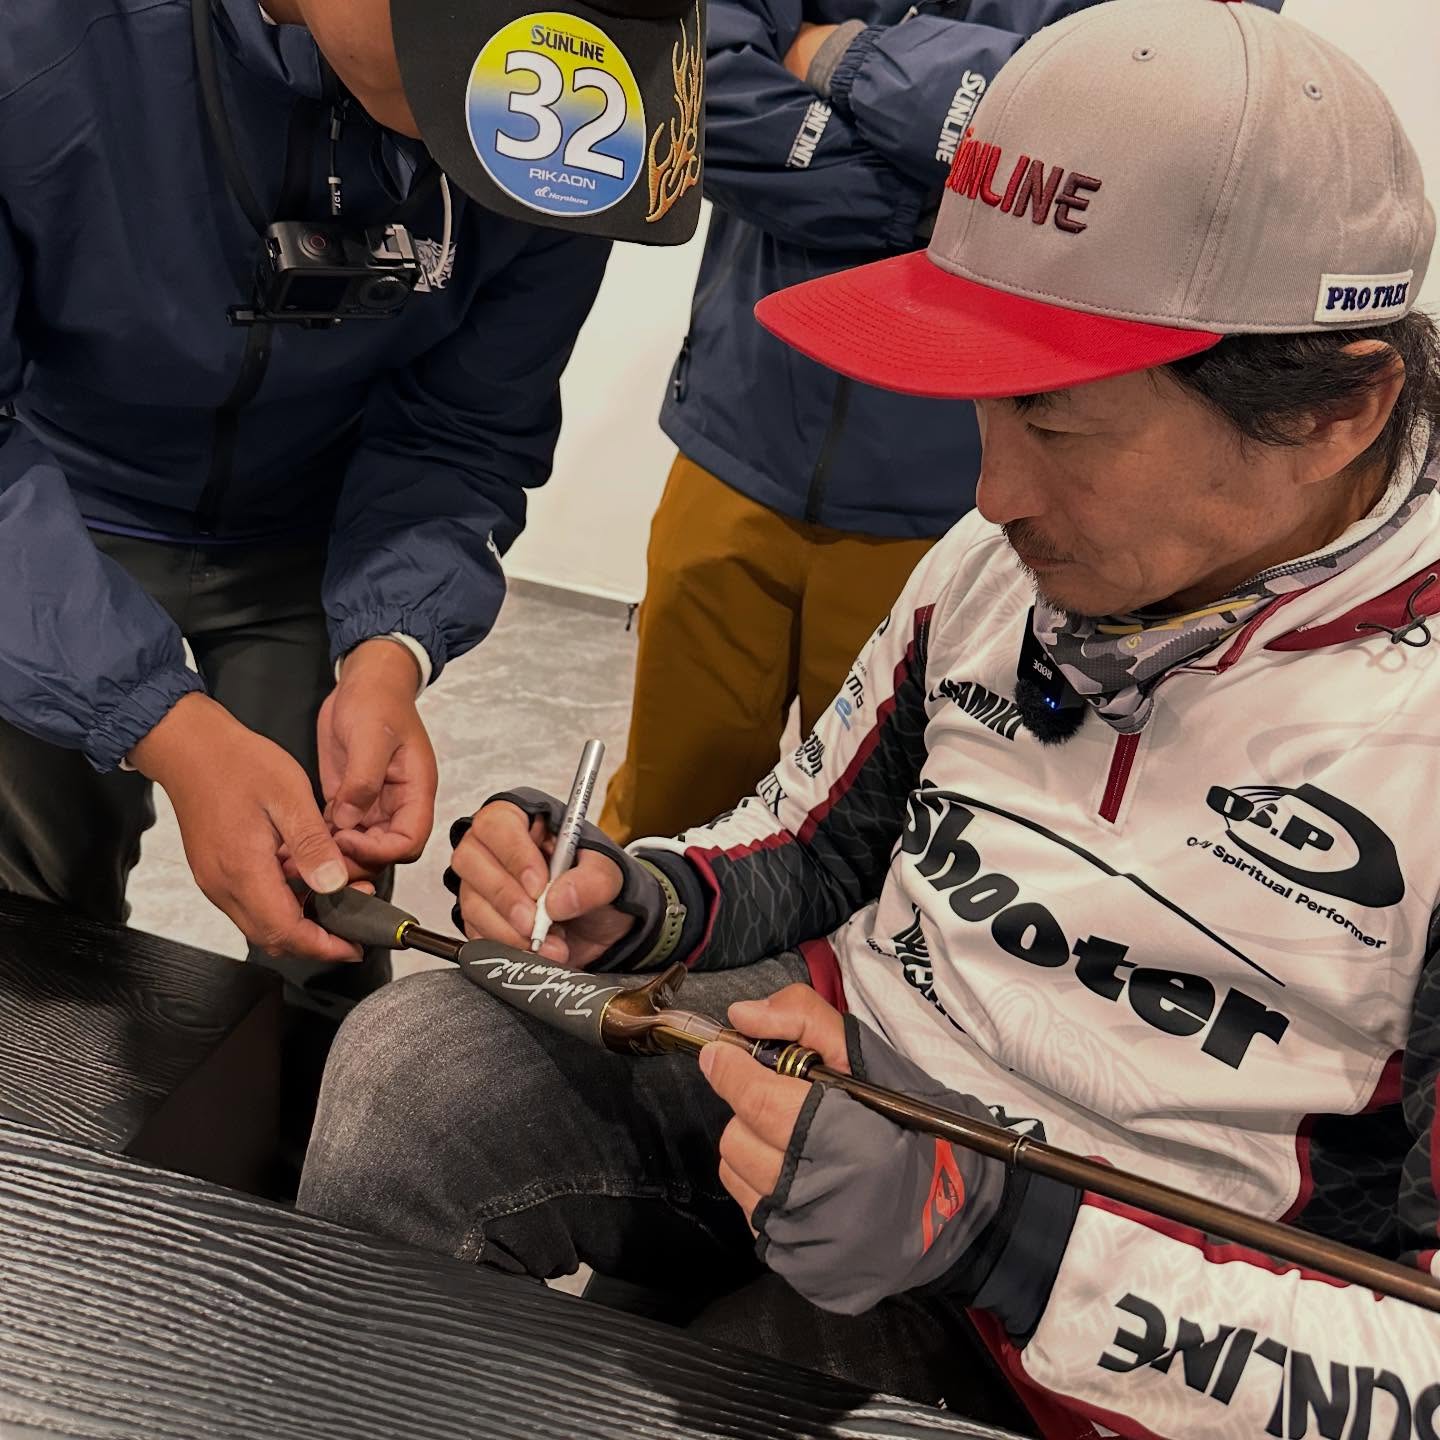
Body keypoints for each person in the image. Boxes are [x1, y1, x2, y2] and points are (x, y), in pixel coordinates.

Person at [299, 2, 1440, 1434]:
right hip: (837, 1087)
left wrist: (996, 1237)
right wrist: (634, 897)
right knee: (421, 1067)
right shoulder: (993, 565)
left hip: (1124, 1312)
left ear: (1339, 410)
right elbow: (822, 838)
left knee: (759, 1370)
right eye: (983, 409)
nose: (991, 496)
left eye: (1057, 422)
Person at [0, 0, 610, 998]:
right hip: (48, 516)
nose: (511, 86)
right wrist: (166, 728)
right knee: (32, 937)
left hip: (320, 533)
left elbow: (464, 426)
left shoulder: (575, 114)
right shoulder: (36, 41)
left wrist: (391, 648)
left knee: (326, 938)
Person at [598, 0, 1281, 845]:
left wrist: (838, 54)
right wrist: (944, 213)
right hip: (736, 437)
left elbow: (1146, 129)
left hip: (969, 506)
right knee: (660, 826)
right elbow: (693, 76)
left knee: (890, 842)